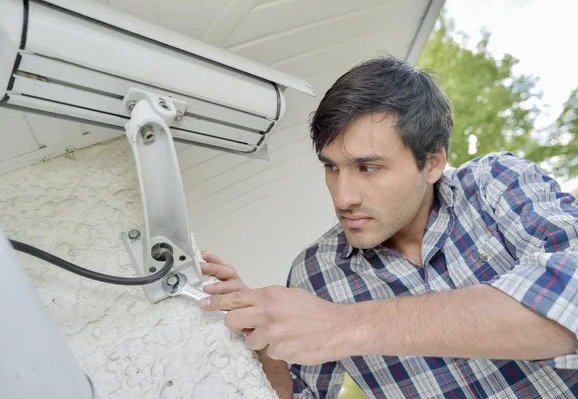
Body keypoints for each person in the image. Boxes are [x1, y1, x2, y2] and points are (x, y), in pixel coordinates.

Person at [197, 56, 578, 398]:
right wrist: (261, 334)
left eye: (368, 167)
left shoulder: (496, 183)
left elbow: (570, 299)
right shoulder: (315, 274)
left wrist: (339, 325)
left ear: (432, 163)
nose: (343, 197)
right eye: (331, 167)